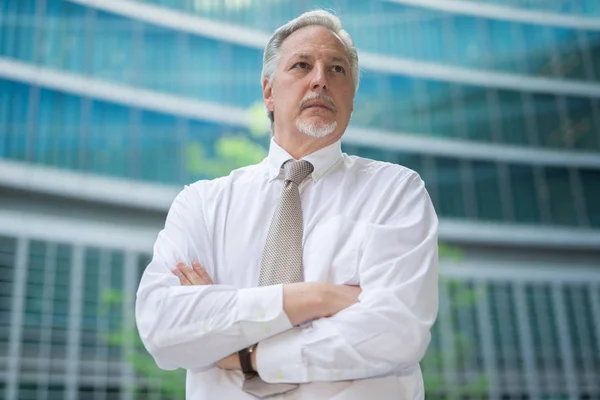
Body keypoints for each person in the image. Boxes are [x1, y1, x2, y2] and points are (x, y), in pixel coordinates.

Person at [135, 9, 438, 400]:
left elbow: (396, 331)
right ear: (269, 92)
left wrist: (243, 352)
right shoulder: (203, 204)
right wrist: (318, 298)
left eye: (337, 70)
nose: (320, 80)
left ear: (352, 98)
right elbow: (162, 325)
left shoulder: (395, 191)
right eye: (301, 65)